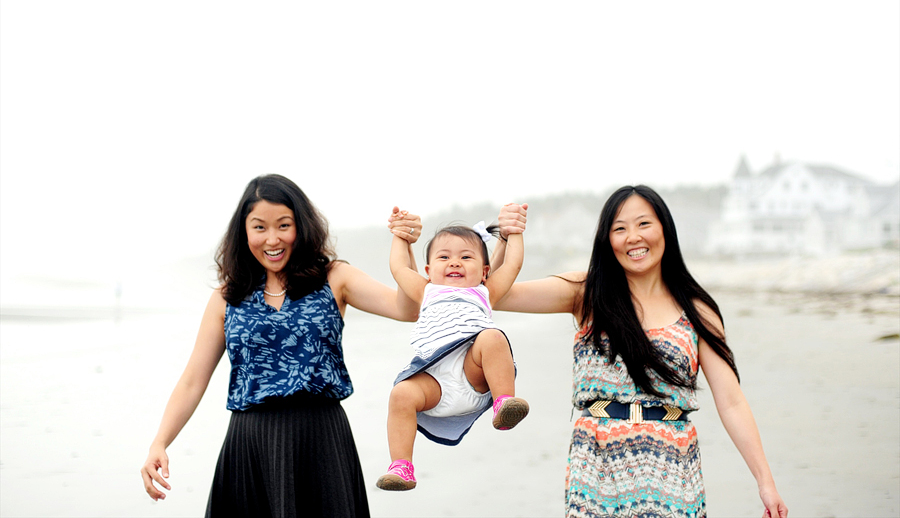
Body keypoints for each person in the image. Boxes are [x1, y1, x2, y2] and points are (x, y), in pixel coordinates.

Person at [487, 187, 788, 518]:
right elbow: (494, 296)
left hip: (672, 466)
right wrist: (506, 239)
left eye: (644, 224)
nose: (633, 237)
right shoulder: (587, 294)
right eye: (619, 228)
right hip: (598, 463)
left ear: (664, 229)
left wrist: (765, 482)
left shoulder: (698, 311)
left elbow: (731, 402)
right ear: (607, 239)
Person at [140, 174, 423, 518]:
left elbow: (407, 309)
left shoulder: (334, 278)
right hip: (250, 446)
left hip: (320, 440)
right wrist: (160, 442)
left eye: (283, 225)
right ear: (244, 233)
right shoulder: (227, 298)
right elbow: (192, 381)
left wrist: (401, 245)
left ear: (300, 226)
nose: (272, 239)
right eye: (259, 227)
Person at [375, 212, 530, 491]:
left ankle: (504, 401)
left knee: (492, 337)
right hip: (434, 381)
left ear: (484, 271)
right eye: (444, 257)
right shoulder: (426, 291)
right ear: (428, 270)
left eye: (466, 257)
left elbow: (514, 264)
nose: (455, 262)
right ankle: (401, 466)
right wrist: (399, 236)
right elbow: (398, 268)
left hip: (473, 372)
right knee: (401, 393)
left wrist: (515, 231)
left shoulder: (485, 291)